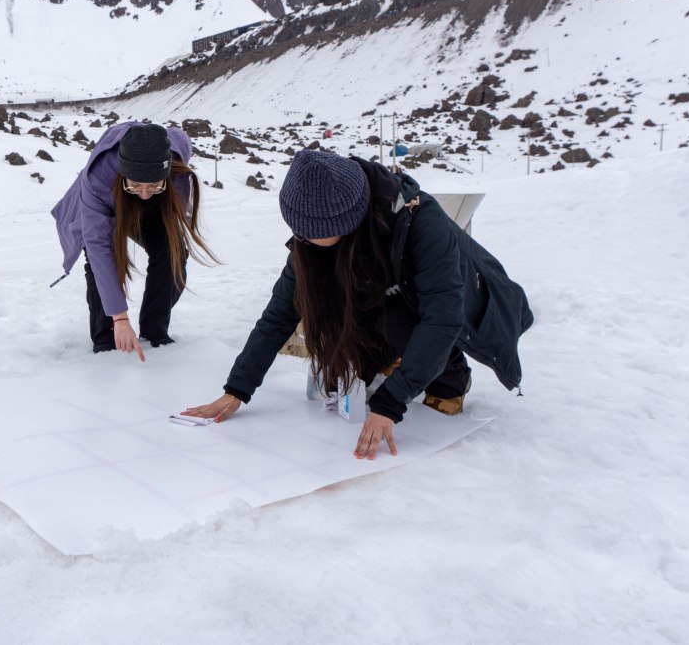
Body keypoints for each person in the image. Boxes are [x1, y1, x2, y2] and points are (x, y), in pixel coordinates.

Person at [182, 150, 533, 460]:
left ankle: (450, 381)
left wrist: (389, 405)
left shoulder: (420, 222)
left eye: (309, 232)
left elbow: (443, 318)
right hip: (381, 292)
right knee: (337, 309)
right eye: (298, 231)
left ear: (345, 221)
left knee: (404, 322)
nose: (301, 239)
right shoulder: (312, 238)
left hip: (463, 304)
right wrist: (237, 389)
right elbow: (278, 315)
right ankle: (391, 357)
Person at [51, 122, 216, 360]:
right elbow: (100, 247)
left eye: (154, 185)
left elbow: (179, 145)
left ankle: (155, 333)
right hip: (108, 201)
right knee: (101, 264)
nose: (145, 194)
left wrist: (150, 188)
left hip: (152, 206)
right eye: (136, 185)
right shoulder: (98, 178)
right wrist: (120, 318)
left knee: (172, 252)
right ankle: (106, 341)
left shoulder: (175, 155)